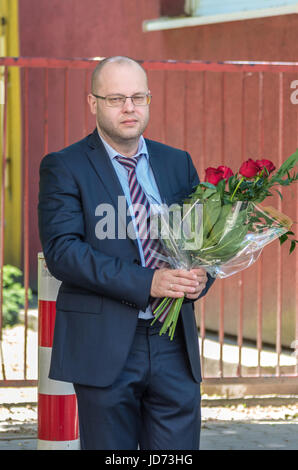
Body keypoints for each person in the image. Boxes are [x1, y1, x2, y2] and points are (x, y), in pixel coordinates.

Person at [38, 56, 214, 450]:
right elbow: (63, 252)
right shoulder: (64, 167)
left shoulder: (176, 162)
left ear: (149, 100)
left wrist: (202, 275)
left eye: (138, 96)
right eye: (116, 98)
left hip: (173, 343)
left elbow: (203, 242)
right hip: (106, 344)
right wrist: (148, 281)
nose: (130, 107)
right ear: (93, 103)